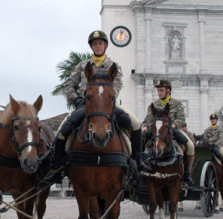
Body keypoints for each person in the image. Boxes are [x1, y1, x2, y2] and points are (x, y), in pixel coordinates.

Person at [44, 30, 147, 184]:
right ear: (92, 47)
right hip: (86, 105)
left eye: (100, 43)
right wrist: (77, 99)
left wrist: (108, 98)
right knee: (63, 129)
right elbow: (69, 85)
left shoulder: (113, 66)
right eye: (94, 44)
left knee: (136, 124)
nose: (97, 46)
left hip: (108, 105)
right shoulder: (83, 65)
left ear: (105, 45)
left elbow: (117, 84)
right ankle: (56, 167)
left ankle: (138, 161)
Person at [142, 80, 195, 183]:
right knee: (142, 140)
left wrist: (175, 124)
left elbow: (181, 118)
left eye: (161, 90)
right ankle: (141, 165)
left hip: (173, 129)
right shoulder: (154, 104)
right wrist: (145, 126)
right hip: (157, 130)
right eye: (158, 90)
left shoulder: (177, 103)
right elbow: (148, 118)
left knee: (190, 145)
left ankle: (187, 173)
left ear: (168, 91)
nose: (159, 92)